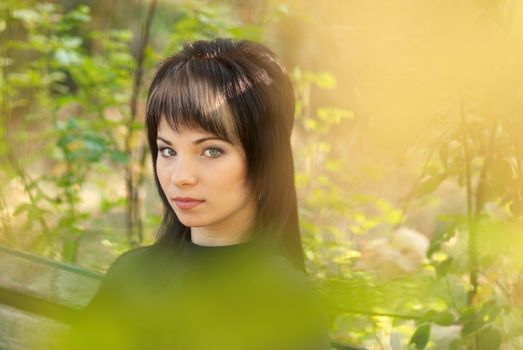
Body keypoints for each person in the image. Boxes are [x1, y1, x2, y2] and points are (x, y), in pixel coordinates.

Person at [57, 38, 331, 350]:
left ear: (265, 159)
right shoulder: (132, 273)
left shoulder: (284, 301)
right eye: (167, 150)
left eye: (212, 151)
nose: (181, 177)